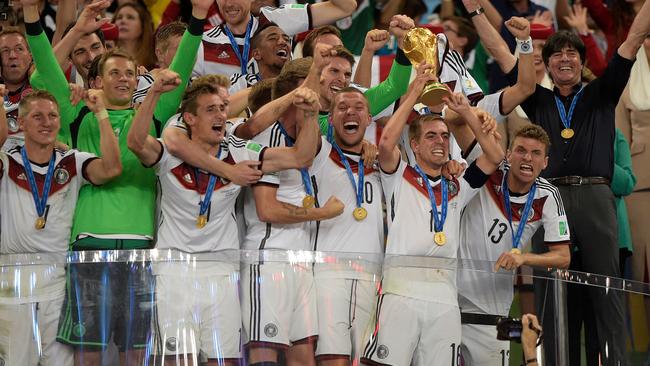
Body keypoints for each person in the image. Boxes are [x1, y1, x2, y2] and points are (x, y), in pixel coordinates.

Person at [22, 0, 213, 363]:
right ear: (95, 81)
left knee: (135, 353)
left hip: (141, 243)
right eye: (114, 73)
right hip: (90, 242)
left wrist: (199, 16)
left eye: (129, 74)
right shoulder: (77, 114)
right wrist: (33, 18)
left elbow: (183, 67)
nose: (124, 79)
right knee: (88, 355)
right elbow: (44, 73)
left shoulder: (154, 113)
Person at [127, 69, 322, 365]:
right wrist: (154, 93)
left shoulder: (242, 152)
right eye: (210, 110)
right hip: (174, 270)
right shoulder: (169, 153)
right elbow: (136, 141)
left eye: (222, 109)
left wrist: (309, 115)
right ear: (189, 119)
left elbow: (300, 157)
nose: (220, 116)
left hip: (221, 270)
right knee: (178, 359)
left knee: (225, 359)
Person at [498, 0, 650, 362]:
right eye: (556, 54)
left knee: (607, 291)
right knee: (553, 296)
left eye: (572, 53)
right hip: (548, 198)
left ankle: (613, 361)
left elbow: (633, 39)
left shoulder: (602, 92)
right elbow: (498, 54)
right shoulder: (537, 98)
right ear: (546, 64)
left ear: (581, 62)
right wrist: (474, 11)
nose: (564, 59)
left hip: (596, 196)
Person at [360, 66, 504, 366]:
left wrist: (466, 112)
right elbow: (386, 143)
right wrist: (413, 93)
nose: (440, 141)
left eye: (443, 136)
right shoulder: (398, 175)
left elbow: (494, 158)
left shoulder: (457, 186)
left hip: (444, 294)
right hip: (401, 289)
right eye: (430, 136)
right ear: (415, 145)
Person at [234, 56, 344, 366]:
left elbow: (306, 154)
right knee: (265, 353)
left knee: (303, 356)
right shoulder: (263, 138)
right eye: (310, 91)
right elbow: (267, 209)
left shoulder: (314, 137)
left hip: (301, 259)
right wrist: (320, 214)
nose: (317, 98)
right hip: (269, 259)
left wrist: (310, 115)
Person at [0, 88, 122, 366]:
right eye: (37, 116)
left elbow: (112, 169)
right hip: (11, 276)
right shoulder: (7, 162)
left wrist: (101, 113)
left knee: (61, 362)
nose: (47, 122)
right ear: (21, 124)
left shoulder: (73, 162)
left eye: (53, 115)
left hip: (56, 276)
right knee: (18, 361)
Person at [455, 124, 571, 366]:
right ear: (508, 155)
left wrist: (524, 259)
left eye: (536, 153)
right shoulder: (490, 167)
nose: (527, 158)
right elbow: (456, 123)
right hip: (451, 301)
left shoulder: (547, 195)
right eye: (521, 150)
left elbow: (563, 257)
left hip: (493, 311)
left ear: (545, 162)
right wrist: (477, 117)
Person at [308, 87, 383, 366]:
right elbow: (305, 123)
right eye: (342, 107)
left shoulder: (383, 162)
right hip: (329, 274)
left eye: (358, 107)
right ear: (330, 117)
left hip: (371, 276)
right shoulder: (319, 153)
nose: (350, 112)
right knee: (333, 359)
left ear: (369, 119)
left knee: (364, 359)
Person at [192, 0, 356, 83]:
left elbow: (346, 7)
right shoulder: (203, 43)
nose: (229, 3)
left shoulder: (276, 19)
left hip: (282, 123)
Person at [0, 26, 34, 152]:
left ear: (30, 57)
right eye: (5, 50)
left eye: (19, 49)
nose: (12, 55)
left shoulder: (42, 87)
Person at [112, 2, 156, 69]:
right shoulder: (104, 59)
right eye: (119, 17)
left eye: (130, 17)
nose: (123, 21)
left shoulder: (155, 66)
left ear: (143, 26)